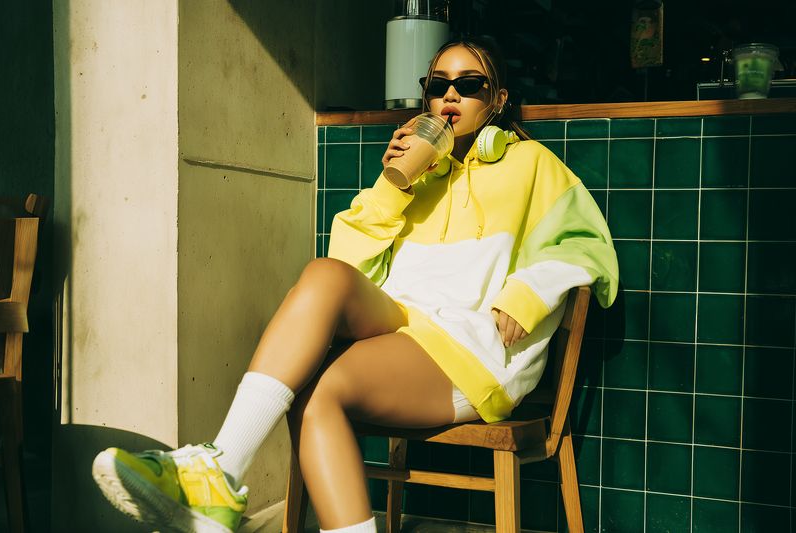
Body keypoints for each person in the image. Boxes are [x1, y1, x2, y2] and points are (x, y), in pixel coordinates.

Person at [92, 37, 618, 533]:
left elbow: (585, 247)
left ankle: (217, 478)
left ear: (497, 99)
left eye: (470, 84)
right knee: (323, 276)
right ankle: (220, 470)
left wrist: (526, 294)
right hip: (404, 325)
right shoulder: (418, 171)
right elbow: (348, 266)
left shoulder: (531, 165)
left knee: (316, 395)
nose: (451, 94)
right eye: (438, 85)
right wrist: (394, 187)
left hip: (471, 347)